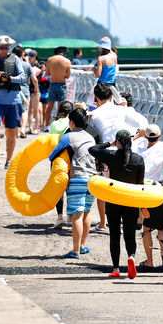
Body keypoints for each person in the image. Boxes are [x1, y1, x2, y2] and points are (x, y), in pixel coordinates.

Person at [88, 83, 147, 232]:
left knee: (103, 186)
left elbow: (93, 135)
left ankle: (103, 222)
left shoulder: (94, 114)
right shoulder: (121, 109)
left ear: (96, 98)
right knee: (126, 184)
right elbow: (141, 124)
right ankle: (128, 219)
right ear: (111, 96)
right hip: (126, 150)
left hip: (107, 153)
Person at [89, 130, 145, 279]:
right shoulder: (138, 159)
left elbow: (92, 149)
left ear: (118, 141)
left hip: (114, 200)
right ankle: (131, 257)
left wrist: (110, 144)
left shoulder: (111, 156)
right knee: (130, 235)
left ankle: (116, 269)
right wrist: (142, 207)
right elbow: (140, 185)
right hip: (131, 201)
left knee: (114, 235)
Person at [49, 108, 98, 258]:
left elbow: (52, 156)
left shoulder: (68, 136)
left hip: (77, 176)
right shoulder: (91, 137)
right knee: (87, 212)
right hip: (92, 178)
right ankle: (83, 245)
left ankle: (75, 250)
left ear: (71, 122)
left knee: (77, 214)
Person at [134, 124, 163, 269]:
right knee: (161, 227)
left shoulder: (139, 150)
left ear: (146, 137)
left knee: (146, 228)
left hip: (146, 191)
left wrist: (137, 136)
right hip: (162, 189)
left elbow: (126, 146)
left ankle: (149, 261)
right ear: (159, 136)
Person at [0, 35, 26, 170]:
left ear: (9, 48)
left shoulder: (16, 59)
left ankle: (9, 159)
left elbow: (23, 77)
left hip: (13, 101)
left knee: (11, 132)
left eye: (6, 47)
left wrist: (11, 79)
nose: (4, 50)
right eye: (1, 47)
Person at [44, 47, 73, 130]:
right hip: (62, 84)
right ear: (64, 53)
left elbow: (47, 73)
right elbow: (67, 76)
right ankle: (59, 125)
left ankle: (47, 126)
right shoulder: (67, 61)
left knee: (49, 106)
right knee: (61, 107)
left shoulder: (50, 60)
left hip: (52, 84)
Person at [12, 47, 34, 138]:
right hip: (25, 90)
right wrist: (36, 88)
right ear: (22, 54)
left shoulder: (10, 64)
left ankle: (16, 131)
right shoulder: (26, 65)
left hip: (14, 90)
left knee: (15, 111)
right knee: (24, 111)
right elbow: (34, 79)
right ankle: (23, 130)